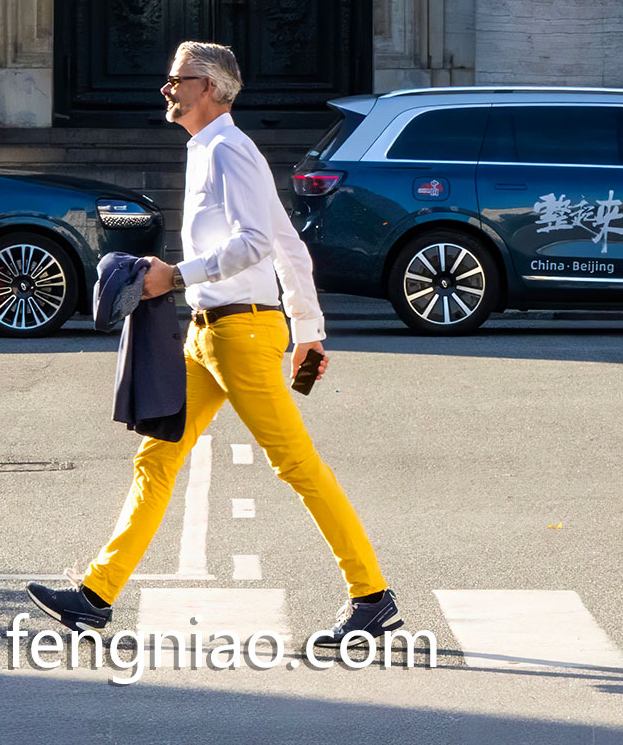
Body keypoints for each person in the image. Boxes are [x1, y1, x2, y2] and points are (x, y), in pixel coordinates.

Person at [26, 41, 399, 648]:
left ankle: (371, 596)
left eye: (177, 80)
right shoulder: (209, 150)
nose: (166, 90)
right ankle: (96, 594)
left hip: (241, 333)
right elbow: (288, 245)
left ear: (212, 87)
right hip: (208, 333)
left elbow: (256, 243)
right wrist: (309, 331)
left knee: (297, 465)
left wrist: (174, 275)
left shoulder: (230, 151)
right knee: (158, 456)